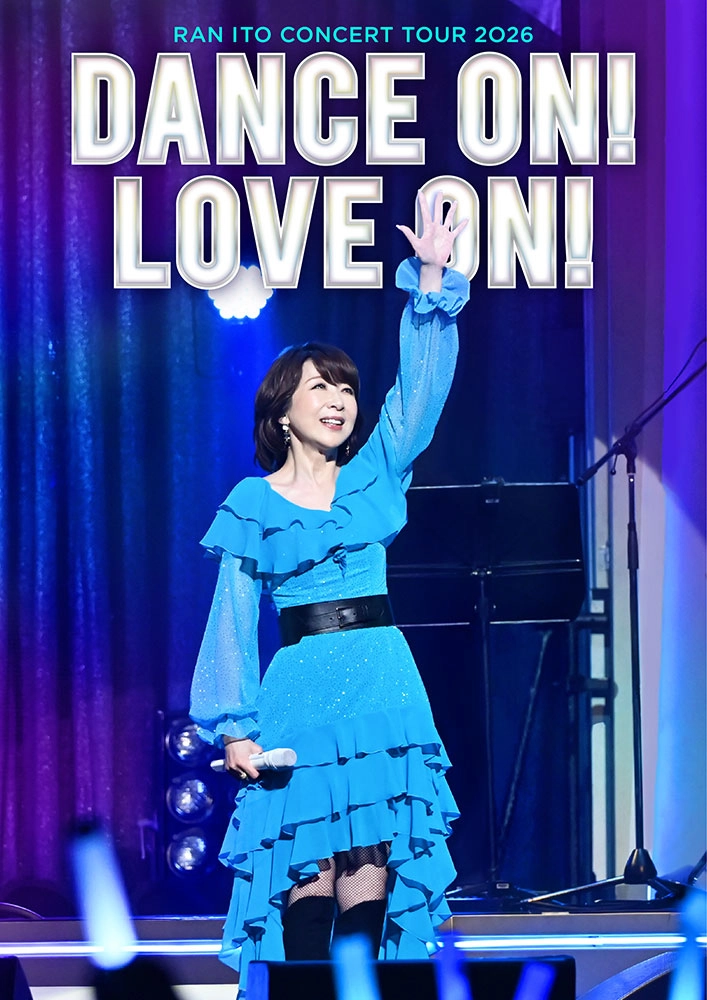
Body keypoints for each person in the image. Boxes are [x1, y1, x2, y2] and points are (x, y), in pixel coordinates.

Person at [190, 192, 469, 996]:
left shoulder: (375, 471)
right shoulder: (252, 503)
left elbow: (418, 396)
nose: (338, 399)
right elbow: (230, 619)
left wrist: (429, 281)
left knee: (368, 875)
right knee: (304, 873)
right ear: (282, 410)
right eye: (319, 387)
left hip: (381, 681)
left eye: (344, 387)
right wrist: (234, 728)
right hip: (301, 691)